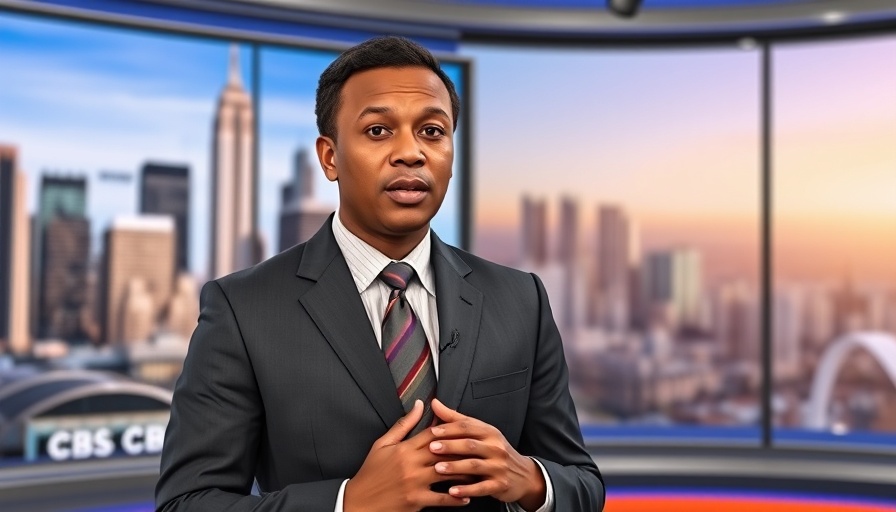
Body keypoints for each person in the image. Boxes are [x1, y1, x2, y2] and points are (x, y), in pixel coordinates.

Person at [155, 35, 605, 512]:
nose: (411, 153)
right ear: (329, 157)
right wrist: (347, 503)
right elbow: (187, 502)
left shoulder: (521, 299)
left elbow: (582, 483)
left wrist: (531, 479)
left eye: (432, 131)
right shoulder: (243, 309)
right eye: (378, 131)